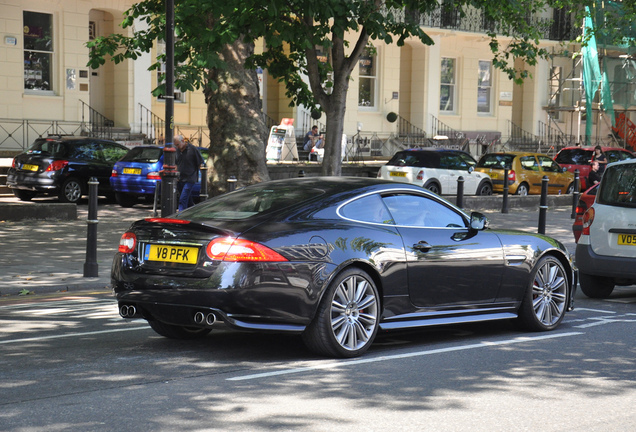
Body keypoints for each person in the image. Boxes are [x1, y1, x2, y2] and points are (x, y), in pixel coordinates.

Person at [175, 135, 204, 212]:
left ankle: (180, 216)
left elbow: (200, 163)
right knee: (188, 200)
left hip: (190, 178)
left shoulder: (193, 149)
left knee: (182, 199)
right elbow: (176, 164)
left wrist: (203, 179)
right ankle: (193, 211)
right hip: (180, 179)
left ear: (183, 141)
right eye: (175, 145)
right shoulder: (177, 150)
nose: (177, 147)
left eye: (178, 144)